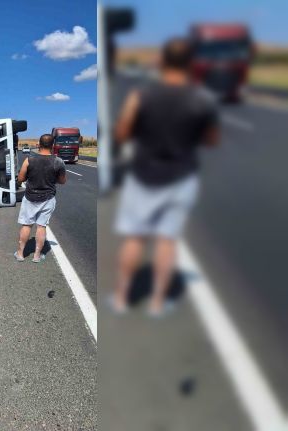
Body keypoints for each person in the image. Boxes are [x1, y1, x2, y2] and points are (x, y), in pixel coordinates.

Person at [112, 37, 219, 316]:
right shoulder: (204, 99)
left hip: (144, 176)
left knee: (134, 239)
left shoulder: (141, 96)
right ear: (191, 64)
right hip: (182, 177)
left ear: (162, 61)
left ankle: (122, 298)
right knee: (166, 241)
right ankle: (157, 302)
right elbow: (212, 140)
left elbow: (122, 133)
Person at [15, 134, 66, 263]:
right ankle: (37, 256)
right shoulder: (58, 161)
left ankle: (20, 254)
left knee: (27, 225)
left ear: (39, 144)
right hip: (48, 198)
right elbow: (62, 181)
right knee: (41, 226)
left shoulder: (29, 160)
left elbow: (20, 178)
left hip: (30, 198)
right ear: (52, 145)